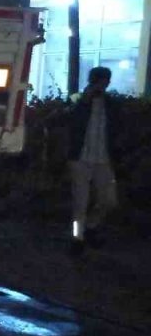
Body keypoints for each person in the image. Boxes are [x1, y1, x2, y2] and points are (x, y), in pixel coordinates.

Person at [67, 66, 119, 255]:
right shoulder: (79, 101)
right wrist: (85, 99)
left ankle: (91, 226)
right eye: (101, 81)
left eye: (106, 81)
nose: (104, 85)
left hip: (103, 158)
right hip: (80, 158)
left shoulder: (111, 104)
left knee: (108, 200)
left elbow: (116, 129)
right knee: (80, 203)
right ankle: (77, 238)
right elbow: (70, 118)